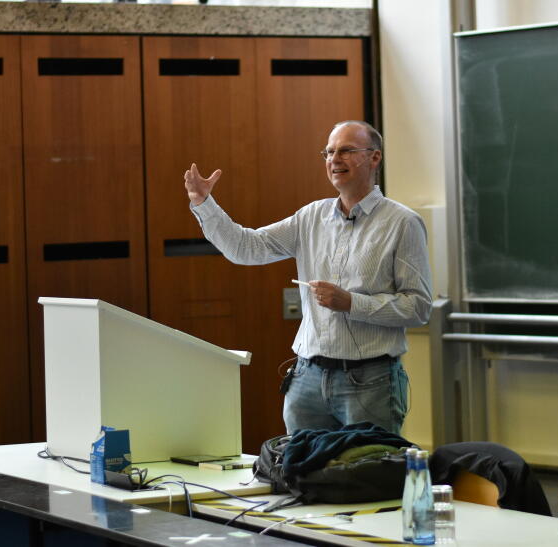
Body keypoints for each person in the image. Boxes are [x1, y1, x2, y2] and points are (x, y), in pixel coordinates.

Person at [184, 120, 432, 435]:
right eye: (329, 152)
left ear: (374, 157)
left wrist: (351, 303)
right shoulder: (311, 216)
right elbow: (246, 248)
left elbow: (418, 307)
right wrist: (203, 203)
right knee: (301, 466)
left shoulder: (403, 223)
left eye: (346, 151)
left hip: (370, 381)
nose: (334, 159)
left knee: (366, 466)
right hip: (307, 378)